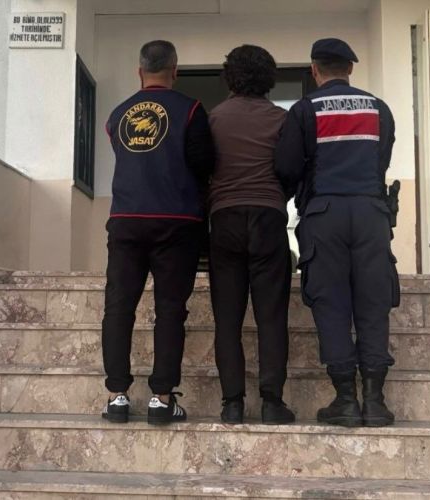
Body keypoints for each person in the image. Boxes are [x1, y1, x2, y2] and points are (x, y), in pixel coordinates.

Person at [275, 38, 400, 428]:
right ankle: (375, 402)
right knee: (373, 301)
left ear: (314, 70)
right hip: (371, 213)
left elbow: (287, 167)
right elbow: (381, 161)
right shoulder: (378, 108)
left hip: (323, 215)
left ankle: (345, 399)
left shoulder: (304, 109)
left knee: (330, 302)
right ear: (350, 69)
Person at [100, 40, 214, 426]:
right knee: (169, 310)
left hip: (126, 219)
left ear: (139, 71)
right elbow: (204, 164)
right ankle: (162, 400)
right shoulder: (191, 110)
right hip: (176, 222)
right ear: (175, 70)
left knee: (119, 307)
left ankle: (117, 396)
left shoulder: (118, 115)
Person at [208, 45, 295, 425]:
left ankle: (232, 404)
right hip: (269, 217)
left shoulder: (214, 118)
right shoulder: (282, 119)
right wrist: (276, 196)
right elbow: (290, 169)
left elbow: (202, 168)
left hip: (225, 218)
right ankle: (272, 403)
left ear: (229, 77)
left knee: (227, 319)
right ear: (269, 79)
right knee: (271, 315)